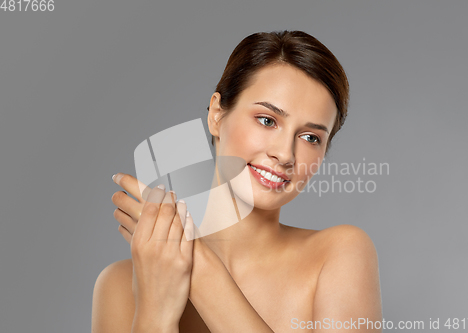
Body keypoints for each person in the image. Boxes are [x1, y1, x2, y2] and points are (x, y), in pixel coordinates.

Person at [92, 30, 382, 332]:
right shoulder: (119, 285)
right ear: (217, 115)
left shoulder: (338, 255)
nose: (285, 154)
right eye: (267, 120)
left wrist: (198, 267)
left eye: (310, 138)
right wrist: (155, 313)